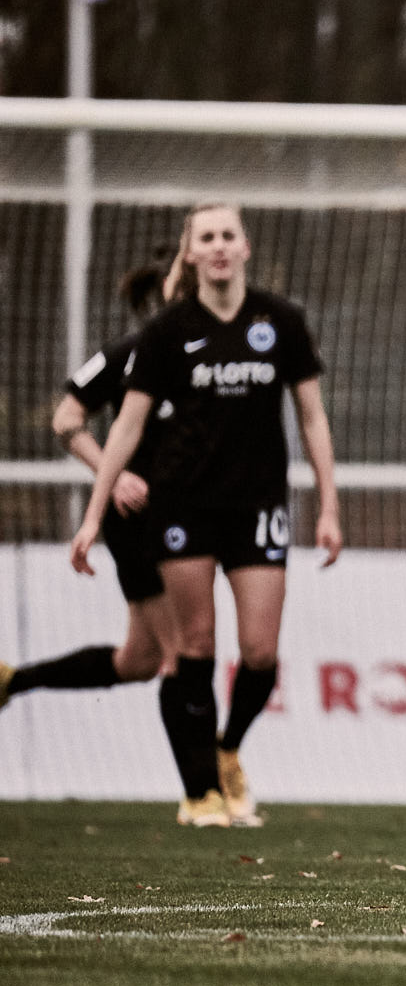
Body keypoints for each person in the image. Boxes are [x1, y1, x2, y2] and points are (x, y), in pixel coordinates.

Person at [68, 204, 344, 829]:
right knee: (194, 645)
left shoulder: (282, 321)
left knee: (260, 650)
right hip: (182, 507)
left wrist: (329, 504)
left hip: (258, 506)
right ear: (190, 254)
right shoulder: (166, 333)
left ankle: (227, 749)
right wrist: (91, 518)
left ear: (245, 247)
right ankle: (201, 794)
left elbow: (312, 418)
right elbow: (125, 427)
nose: (219, 246)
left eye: (228, 235)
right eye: (206, 238)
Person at [1, 256, 177, 714]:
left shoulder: (217, 360)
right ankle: (213, 777)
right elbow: (66, 419)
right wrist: (114, 476)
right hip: (138, 520)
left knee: (140, 659)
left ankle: (13, 681)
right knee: (184, 656)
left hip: (184, 521)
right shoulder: (131, 352)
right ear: (169, 289)